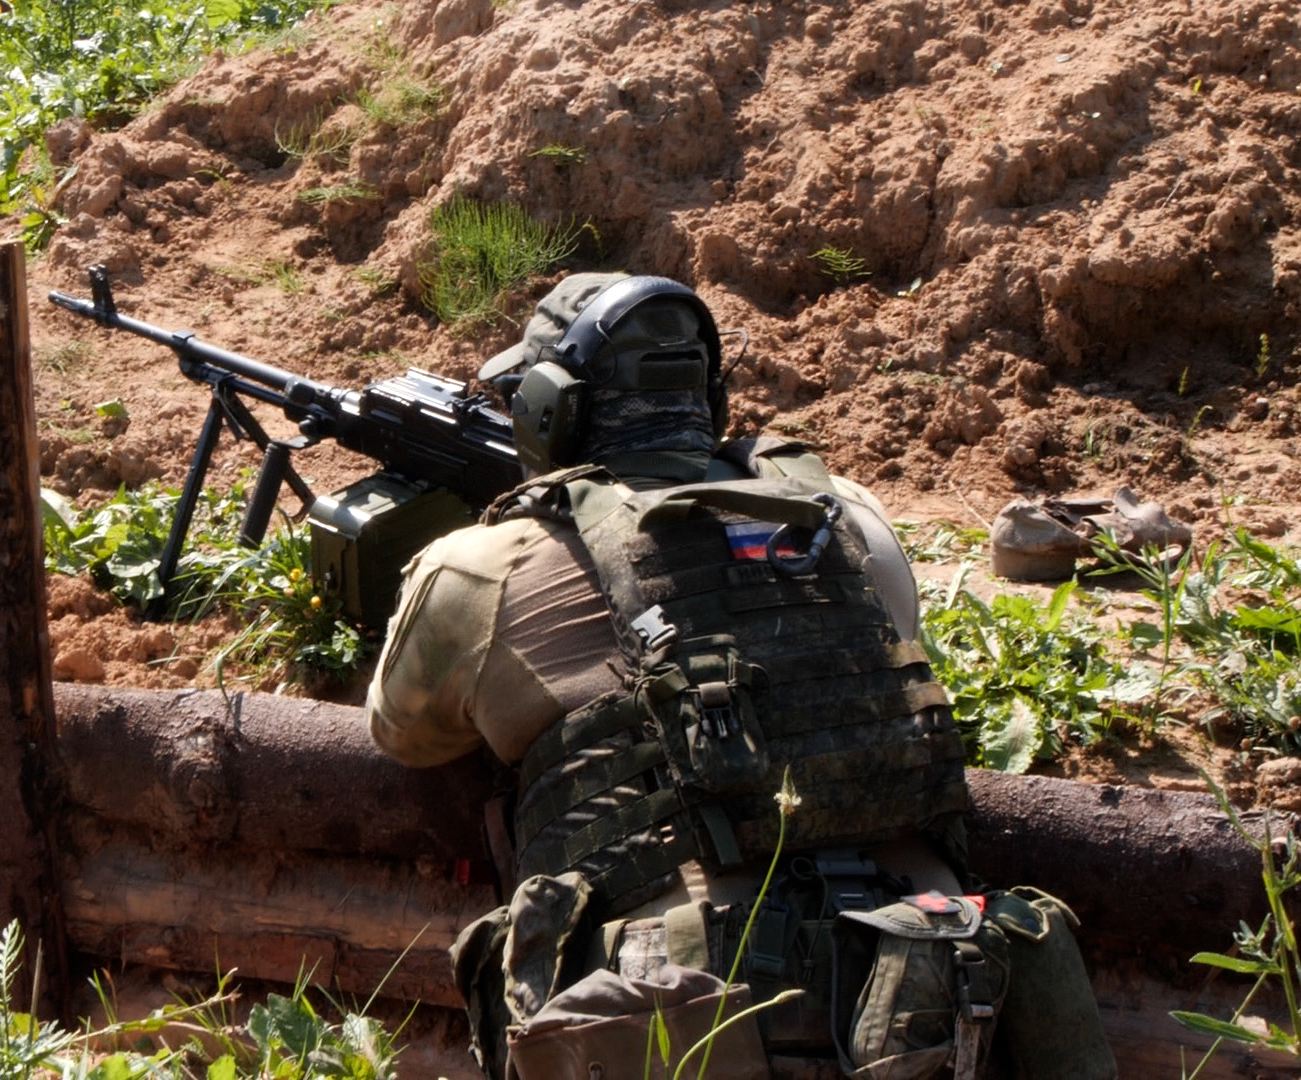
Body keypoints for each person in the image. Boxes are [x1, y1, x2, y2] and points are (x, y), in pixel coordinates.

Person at [365, 274, 1116, 1080]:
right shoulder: (843, 514)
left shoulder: (482, 566)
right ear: (710, 397)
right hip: (928, 983)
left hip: (685, 1002)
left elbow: (402, 731)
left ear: (546, 410)